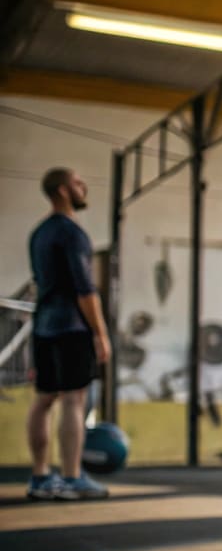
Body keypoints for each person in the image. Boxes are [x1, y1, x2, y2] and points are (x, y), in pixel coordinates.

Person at [26, 168, 112, 501]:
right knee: (74, 400)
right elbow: (84, 289)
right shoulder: (72, 233)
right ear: (63, 191)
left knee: (44, 399)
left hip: (44, 325)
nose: (83, 185)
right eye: (78, 182)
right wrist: (100, 333)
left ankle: (39, 477)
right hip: (72, 327)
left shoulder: (39, 233)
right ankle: (72, 478)